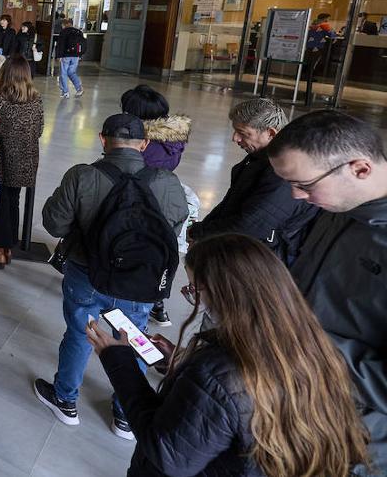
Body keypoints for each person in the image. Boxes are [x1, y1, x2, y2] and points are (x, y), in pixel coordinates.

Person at [88, 234, 370, 477]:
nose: (192, 297)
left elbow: (168, 453)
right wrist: (182, 360)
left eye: (195, 290)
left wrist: (120, 362)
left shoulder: (217, 371)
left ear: (228, 295)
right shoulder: (307, 345)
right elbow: (239, 403)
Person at [34, 113, 189, 440]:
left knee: (80, 332)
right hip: (139, 282)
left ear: (102, 140)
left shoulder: (83, 176)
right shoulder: (165, 182)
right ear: (145, 144)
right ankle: (127, 413)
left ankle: (65, 400)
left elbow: (54, 224)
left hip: (86, 273)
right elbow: (174, 226)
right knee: (134, 337)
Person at [267, 110, 387, 463]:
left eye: (304, 184)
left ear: (360, 169)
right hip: (296, 407)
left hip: (352, 442)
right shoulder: (340, 206)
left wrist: (302, 343)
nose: (296, 196)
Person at [188, 98, 317, 264]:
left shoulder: (284, 172)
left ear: (270, 133)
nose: (235, 138)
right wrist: (201, 232)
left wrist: (198, 233)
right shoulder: (258, 159)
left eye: (243, 133)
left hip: (263, 264)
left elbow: (250, 226)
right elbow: (230, 205)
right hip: (246, 253)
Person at [121, 85, 194, 327]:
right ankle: (158, 302)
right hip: (164, 196)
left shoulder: (146, 145)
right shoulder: (171, 137)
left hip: (142, 197)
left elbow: (126, 167)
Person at [0, 56, 44, 269]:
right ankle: (8, 247)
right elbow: (40, 129)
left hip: (2, 159)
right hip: (26, 159)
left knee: (1, 203)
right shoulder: (36, 98)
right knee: (13, 200)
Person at [54, 18, 85, 99]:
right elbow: (82, 45)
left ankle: (65, 92)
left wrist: (58, 56)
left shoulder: (64, 32)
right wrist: (80, 55)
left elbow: (60, 45)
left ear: (64, 24)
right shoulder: (78, 32)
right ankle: (79, 88)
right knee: (72, 72)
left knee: (63, 73)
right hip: (76, 56)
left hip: (66, 56)